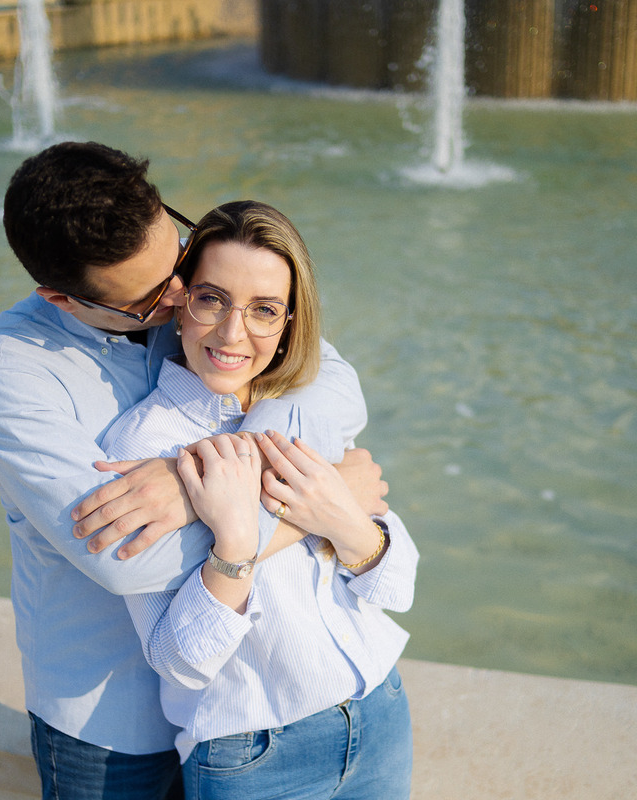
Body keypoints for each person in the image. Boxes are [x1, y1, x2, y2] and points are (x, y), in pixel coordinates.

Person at [0, 143, 389, 800]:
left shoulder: (185, 295)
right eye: (158, 295)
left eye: (180, 255)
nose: (186, 295)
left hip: (229, 707)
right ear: (61, 299)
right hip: (110, 721)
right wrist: (324, 506)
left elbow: (329, 382)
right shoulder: (8, 373)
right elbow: (129, 560)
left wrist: (199, 482)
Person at [103, 201, 417, 799]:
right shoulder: (141, 448)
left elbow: (397, 586)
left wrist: (340, 520)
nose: (231, 333)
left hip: (379, 714)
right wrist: (236, 546)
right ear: (179, 300)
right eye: (212, 299)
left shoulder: (306, 407)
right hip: (253, 757)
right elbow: (177, 660)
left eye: (263, 310)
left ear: (289, 323)